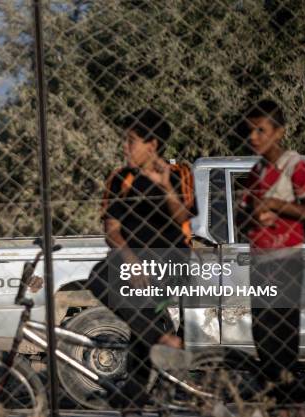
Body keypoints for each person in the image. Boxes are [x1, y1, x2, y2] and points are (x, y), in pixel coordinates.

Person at [87, 108, 196, 417]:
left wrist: (164, 185)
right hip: (135, 263)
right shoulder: (120, 178)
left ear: (153, 145)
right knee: (101, 277)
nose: (125, 147)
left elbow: (184, 219)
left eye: (131, 141)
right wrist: (132, 261)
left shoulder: (180, 173)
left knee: (142, 324)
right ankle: (143, 391)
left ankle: (135, 399)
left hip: (172, 263)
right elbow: (112, 230)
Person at [238, 100, 305, 416]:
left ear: (279, 132)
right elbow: (242, 218)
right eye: (250, 131)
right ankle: (277, 400)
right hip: (260, 261)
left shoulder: (292, 165)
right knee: (263, 332)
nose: (254, 137)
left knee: (283, 331)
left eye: (261, 130)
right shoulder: (255, 172)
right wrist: (254, 218)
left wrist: (277, 206)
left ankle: (288, 401)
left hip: (286, 259)